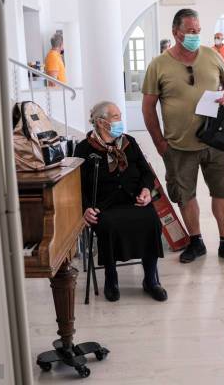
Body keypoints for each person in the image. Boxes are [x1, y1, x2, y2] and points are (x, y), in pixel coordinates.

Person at [142, 8, 224, 265]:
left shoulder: (212, 55)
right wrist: (160, 143)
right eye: (190, 32)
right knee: (185, 195)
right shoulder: (158, 65)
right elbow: (148, 107)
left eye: (198, 31)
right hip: (178, 145)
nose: (196, 36)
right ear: (176, 33)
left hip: (215, 141)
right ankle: (196, 242)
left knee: (223, 192)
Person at [74, 101, 168, 302]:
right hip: (105, 207)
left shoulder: (129, 143)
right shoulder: (84, 150)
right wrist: (85, 208)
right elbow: (75, 187)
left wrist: (145, 190)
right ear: (101, 123)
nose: (120, 121)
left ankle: (151, 279)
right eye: (115, 117)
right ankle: (111, 279)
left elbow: (146, 172)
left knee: (151, 219)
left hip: (134, 201)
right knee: (108, 225)